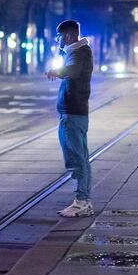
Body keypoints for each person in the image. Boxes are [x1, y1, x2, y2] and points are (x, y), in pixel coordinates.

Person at [46, 20, 94, 217]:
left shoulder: (78, 52)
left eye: (60, 37)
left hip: (72, 113)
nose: (59, 41)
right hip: (77, 112)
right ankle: (84, 200)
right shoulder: (78, 51)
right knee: (81, 157)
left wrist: (57, 71)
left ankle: (81, 201)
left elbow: (72, 71)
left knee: (75, 158)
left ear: (68, 35)